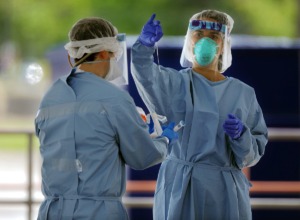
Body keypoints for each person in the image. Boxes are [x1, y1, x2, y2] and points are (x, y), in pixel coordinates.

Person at [35, 17, 178, 220]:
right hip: (97, 213)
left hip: (52, 212)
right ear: (104, 53)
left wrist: (123, 133)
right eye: (114, 54)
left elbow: (79, 144)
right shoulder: (115, 99)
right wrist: (164, 140)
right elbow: (142, 157)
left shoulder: (50, 98)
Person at [131, 10, 268, 220]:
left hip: (225, 192)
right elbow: (144, 75)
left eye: (213, 37)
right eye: (199, 34)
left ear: (224, 44)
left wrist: (242, 136)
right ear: (190, 40)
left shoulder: (243, 94)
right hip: (181, 186)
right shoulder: (173, 84)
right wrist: (144, 47)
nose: (205, 41)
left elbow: (252, 154)